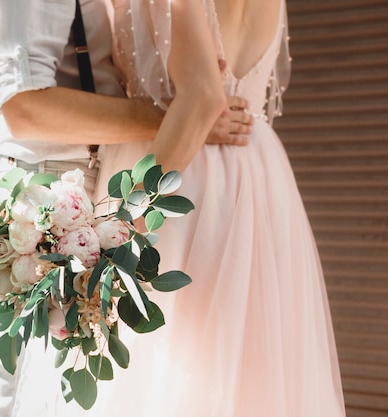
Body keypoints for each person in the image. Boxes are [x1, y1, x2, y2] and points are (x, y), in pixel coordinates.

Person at [47, 0, 346, 416]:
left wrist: (119, 226)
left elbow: (204, 98)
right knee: (249, 368)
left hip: (180, 173)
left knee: (180, 370)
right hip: (257, 169)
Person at [0, 1, 254, 416]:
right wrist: (176, 115)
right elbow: (26, 106)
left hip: (77, 184)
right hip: (49, 195)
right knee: (24, 391)